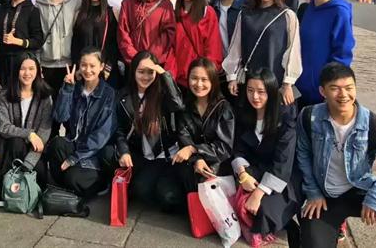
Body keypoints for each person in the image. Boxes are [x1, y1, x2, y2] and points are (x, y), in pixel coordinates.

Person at [298, 62, 376, 247]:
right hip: (326, 196)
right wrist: (313, 192)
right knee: (313, 241)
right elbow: (302, 155)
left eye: (349, 88)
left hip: (360, 188)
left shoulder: (373, 122)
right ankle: (334, 227)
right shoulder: (309, 117)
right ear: (322, 91)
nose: (343, 95)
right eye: (335, 88)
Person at [107, 51, 186, 211]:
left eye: (150, 72)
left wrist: (165, 75)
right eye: (141, 72)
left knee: (163, 196)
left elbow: (178, 105)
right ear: (133, 71)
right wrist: (124, 151)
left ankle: (161, 184)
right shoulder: (123, 96)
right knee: (139, 187)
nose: (145, 77)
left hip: (163, 155)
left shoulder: (163, 93)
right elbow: (119, 129)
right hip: (140, 153)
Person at [232, 68, 300, 247]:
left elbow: (283, 162)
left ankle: (285, 223)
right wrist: (242, 175)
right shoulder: (244, 114)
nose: (255, 97)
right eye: (250, 90)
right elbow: (238, 150)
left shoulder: (285, 118)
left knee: (261, 211)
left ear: (271, 92)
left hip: (281, 177)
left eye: (261, 92)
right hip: (254, 170)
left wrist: (258, 193)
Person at [223, 0, 302, 106]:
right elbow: (236, 48)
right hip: (250, 83)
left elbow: (293, 51)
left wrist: (288, 83)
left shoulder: (287, 15)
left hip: (275, 81)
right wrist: (232, 77)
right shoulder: (245, 14)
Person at [47, 47, 117, 198]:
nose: (88, 70)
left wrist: (74, 158)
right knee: (57, 144)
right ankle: (67, 186)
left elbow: (101, 136)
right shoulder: (76, 88)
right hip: (75, 144)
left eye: (92, 66)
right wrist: (67, 89)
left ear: (101, 67)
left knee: (72, 178)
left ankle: (100, 183)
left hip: (93, 153)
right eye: (84, 65)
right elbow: (60, 117)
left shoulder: (108, 94)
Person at [0, 52, 53, 206]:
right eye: (22, 69)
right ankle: (5, 188)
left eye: (31, 69)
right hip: (12, 147)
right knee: (16, 141)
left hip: (35, 150)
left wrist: (28, 163)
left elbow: (44, 132)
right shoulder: (4, 95)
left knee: (39, 179)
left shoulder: (45, 96)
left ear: (38, 71)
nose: (27, 73)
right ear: (16, 70)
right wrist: (29, 134)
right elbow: (4, 127)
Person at [295, 0, 355, 107]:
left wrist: (330, 87)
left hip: (324, 91)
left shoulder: (339, 11)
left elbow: (342, 54)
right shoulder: (308, 10)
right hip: (302, 89)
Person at [177, 58, 235, 195]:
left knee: (204, 183)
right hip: (192, 162)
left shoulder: (223, 108)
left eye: (204, 79)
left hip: (217, 162)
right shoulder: (185, 107)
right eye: (194, 78)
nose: (199, 84)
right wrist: (197, 158)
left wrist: (195, 149)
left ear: (213, 81)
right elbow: (184, 138)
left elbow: (225, 147)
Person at [118, 0, 176, 73]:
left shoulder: (165, 5)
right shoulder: (128, 3)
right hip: (132, 64)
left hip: (154, 64)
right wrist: (136, 59)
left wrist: (149, 60)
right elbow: (123, 33)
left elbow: (168, 35)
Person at [37, 0, 81, 103]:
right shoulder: (39, 5)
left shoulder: (75, 3)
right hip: (46, 63)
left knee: (67, 103)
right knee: (48, 104)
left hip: (68, 63)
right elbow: (37, 35)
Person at [173, 0, 222, 89]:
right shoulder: (173, 13)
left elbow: (213, 48)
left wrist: (204, 75)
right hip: (178, 78)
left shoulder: (207, 13)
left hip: (199, 78)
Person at [71, 0, 120, 88]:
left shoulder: (111, 13)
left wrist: (108, 67)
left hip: (106, 71)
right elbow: (75, 44)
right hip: (85, 70)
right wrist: (78, 67)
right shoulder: (79, 14)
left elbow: (114, 44)